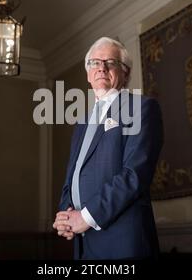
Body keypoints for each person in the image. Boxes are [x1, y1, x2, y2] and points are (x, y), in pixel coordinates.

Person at [52, 37, 163, 259]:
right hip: (83, 244)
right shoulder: (82, 123)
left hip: (122, 241)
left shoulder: (141, 108)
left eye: (110, 62)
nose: (101, 68)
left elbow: (134, 175)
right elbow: (72, 177)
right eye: (94, 63)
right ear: (88, 74)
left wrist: (86, 217)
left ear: (126, 73)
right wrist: (65, 215)